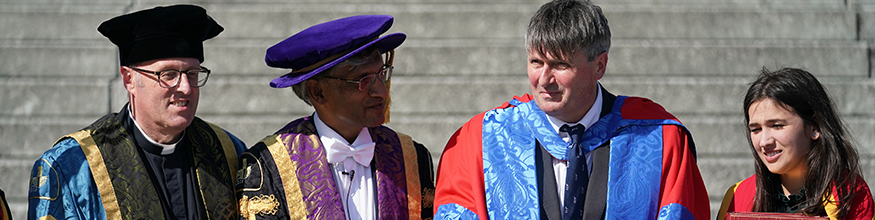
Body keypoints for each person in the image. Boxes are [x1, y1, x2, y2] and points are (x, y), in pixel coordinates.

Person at [432, 0, 710, 219]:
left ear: (599, 66)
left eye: (561, 65)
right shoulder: (479, 141)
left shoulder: (660, 141)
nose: (543, 80)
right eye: (536, 62)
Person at [27, 5, 247, 219]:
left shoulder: (228, 152)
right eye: (168, 74)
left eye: (192, 73)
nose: (186, 88)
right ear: (129, 79)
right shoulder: (72, 166)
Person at [235, 15, 435, 220]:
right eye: (363, 80)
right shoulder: (268, 163)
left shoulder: (411, 156)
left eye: (381, 74)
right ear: (318, 92)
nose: (382, 92)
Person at [717, 68, 874, 219]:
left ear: (815, 127)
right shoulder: (737, 196)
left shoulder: (850, 194)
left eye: (777, 125)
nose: (764, 142)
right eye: (756, 129)